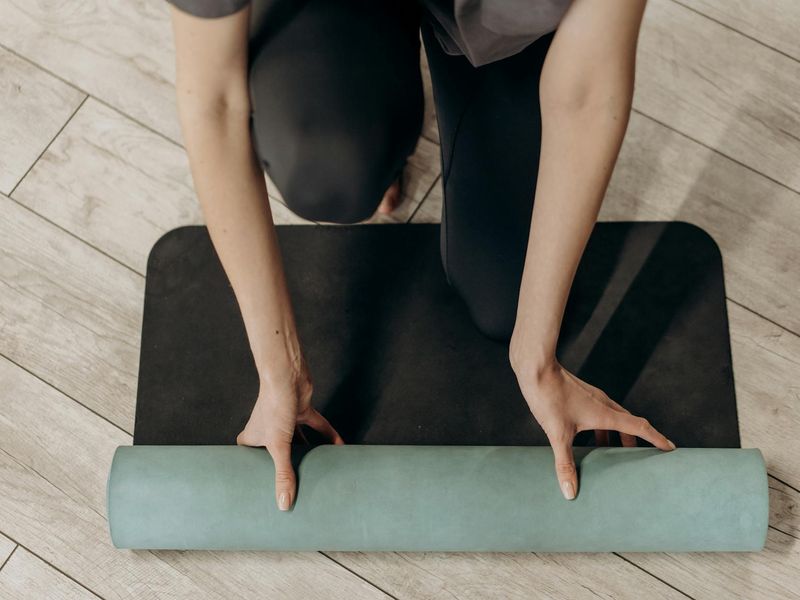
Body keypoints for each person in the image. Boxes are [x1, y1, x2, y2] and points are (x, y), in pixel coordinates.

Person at [166, 0, 675, 512]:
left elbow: (587, 93)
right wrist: (282, 374)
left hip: (495, 21)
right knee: (328, 170)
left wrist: (536, 361)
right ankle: (376, 115)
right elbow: (213, 102)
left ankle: (427, 76)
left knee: (507, 299)